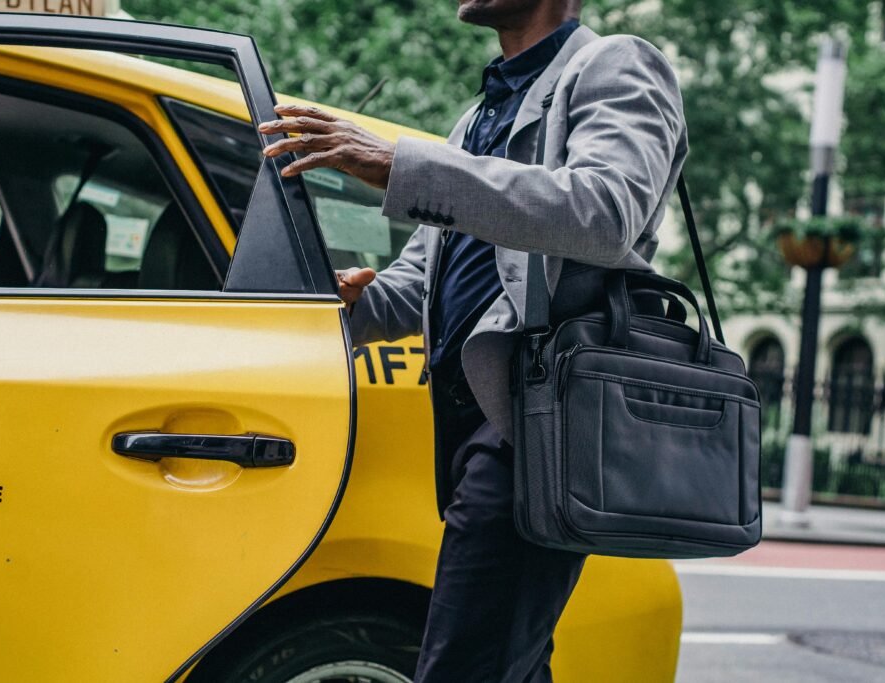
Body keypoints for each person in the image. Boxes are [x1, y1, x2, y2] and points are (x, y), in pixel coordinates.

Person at [259, 0, 687, 679]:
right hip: (466, 423)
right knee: (506, 661)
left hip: (533, 423)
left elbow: (606, 211)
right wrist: (332, 303)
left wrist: (401, 164)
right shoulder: (478, 116)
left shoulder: (616, 63)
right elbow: (422, 280)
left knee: (464, 662)